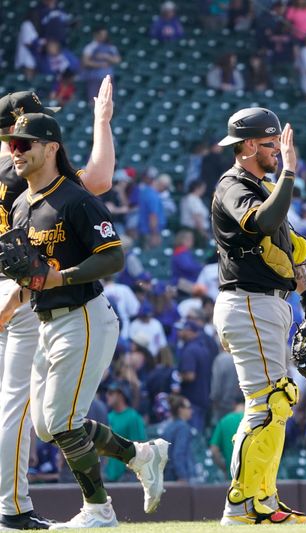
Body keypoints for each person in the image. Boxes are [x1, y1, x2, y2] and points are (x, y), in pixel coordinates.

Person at [0, 113, 169, 528]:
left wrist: (62, 276)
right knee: (45, 427)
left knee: (61, 422)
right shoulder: (21, 204)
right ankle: (142, 455)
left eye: (25, 144)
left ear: (51, 147)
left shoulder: (76, 199)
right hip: (44, 321)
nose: (15, 151)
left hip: (84, 315)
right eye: (11, 145)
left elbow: (113, 255)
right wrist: (8, 308)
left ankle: (99, 510)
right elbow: (33, 275)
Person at [212, 107, 306, 525]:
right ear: (247, 146)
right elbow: (263, 221)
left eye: (279, 145)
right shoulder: (234, 184)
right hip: (248, 301)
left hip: (268, 302)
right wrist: (290, 175)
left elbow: (287, 254)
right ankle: (242, 504)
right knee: (267, 404)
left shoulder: (260, 186)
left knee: (277, 404)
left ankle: (263, 498)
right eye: (270, 145)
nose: (278, 152)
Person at [80, 26, 121, 101]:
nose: (104, 37)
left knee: (109, 100)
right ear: (96, 34)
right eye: (102, 34)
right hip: (94, 77)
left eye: (105, 34)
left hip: (108, 77)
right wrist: (99, 64)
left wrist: (106, 56)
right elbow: (85, 62)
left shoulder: (110, 47)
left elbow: (117, 60)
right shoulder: (90, 47)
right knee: (94, 100)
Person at [209, 394, 245, 479]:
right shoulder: (254, 421)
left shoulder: (224, 421)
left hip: (232, 477)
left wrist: (224, 467)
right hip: (254, 477)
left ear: (234, 404)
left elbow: (214, 450)